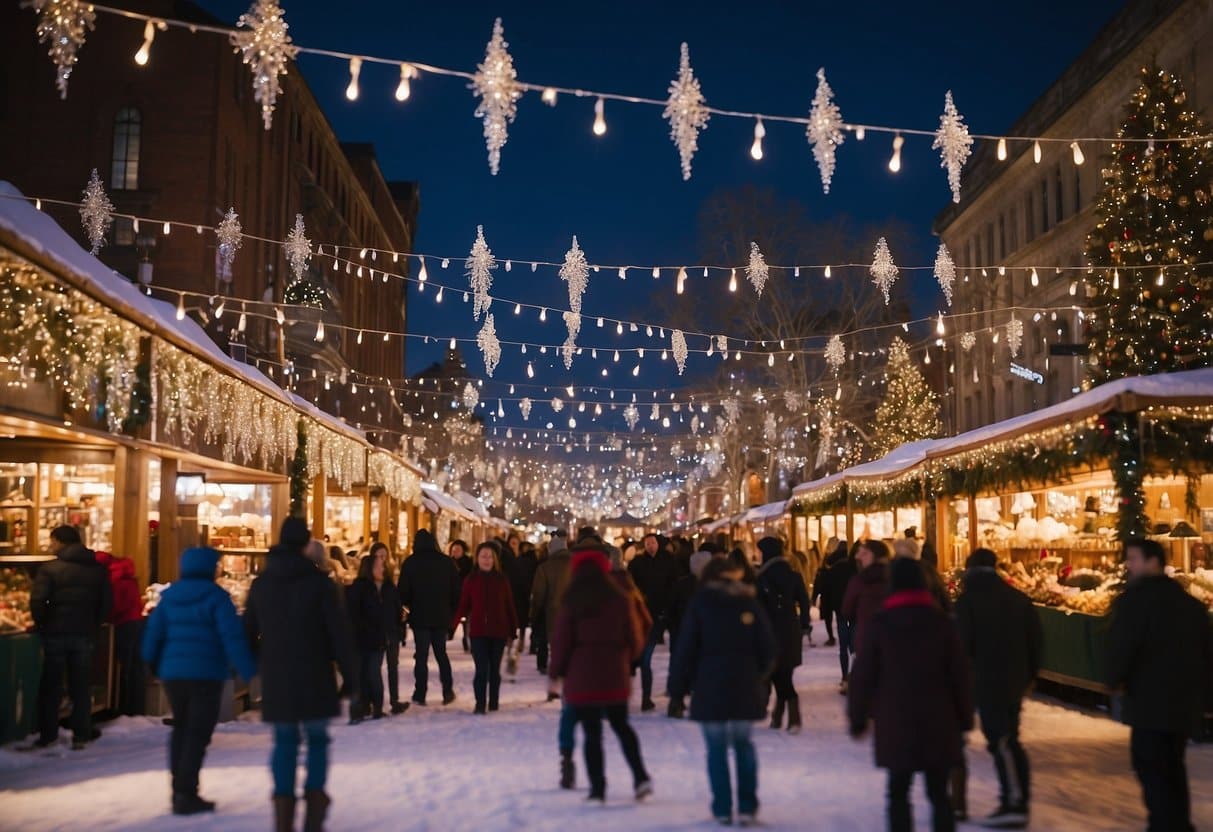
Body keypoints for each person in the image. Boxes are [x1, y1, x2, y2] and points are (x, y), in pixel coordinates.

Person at [245, 517, 357, 832]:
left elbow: (248, 630)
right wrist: (351, 676)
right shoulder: (321, 584)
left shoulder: (262, 583)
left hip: (278, 674)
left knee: (284, 741)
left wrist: (254, 665)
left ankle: (283, 817)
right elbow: (339, 633)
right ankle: (314, 814)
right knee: (317, 740)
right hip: (316, 673)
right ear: (307, 544)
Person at [848, 557, 974, 832]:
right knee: (939, 794)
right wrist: (965, 717)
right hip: (939, 720)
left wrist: (857, 717)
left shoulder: (881, 624)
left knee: (898, 792)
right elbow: (960, 675)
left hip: (896, 720)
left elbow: (863, 676)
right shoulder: (942, 623)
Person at [142, 546, 257, 815]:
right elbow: (232, 638)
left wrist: (151, 662)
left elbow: (153, 634)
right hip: (206, 674)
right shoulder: (217, 598)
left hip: (174, 675)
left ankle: (178, 789)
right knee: (198, 732)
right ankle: (186, 792)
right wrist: (248, 671)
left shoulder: (169, 598)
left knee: (181, 728)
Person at [1107, 538, 1213, 832]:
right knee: (1173, 766)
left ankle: (1165, 826)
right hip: (1183, 702)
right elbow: (1207, 652)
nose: (1129, 565)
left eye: (1134, 559)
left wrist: (1114, 679)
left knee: (1151, 767)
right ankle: (1179, 824)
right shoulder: (1189, 604)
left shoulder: (1135, 602)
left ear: (1153, 562)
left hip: (1149, 702)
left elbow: (1123, 646)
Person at [669, 556, 777, 826]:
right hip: (744, 685)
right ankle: (747, 806)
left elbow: (685, 650)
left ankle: (722, 807)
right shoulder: (748, 602)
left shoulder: (700, 605)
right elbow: (768, 649)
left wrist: (678, 688)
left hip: (709, 686)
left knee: (716, 749)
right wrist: (757, 676)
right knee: (743, 745)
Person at [549, 545, 652, 804]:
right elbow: (636, 637)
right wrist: (626, 658)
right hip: (615, 672)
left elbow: (561, 642)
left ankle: (598, 789)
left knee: (592, 732)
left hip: (582, 676)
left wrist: (556, 673)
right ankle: (640, 777)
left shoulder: (571, 601)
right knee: (622, 726)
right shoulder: (620, 598)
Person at [954, 548, 1042, 829]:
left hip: (987, 680)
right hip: (1014, 678)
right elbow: (1036, 640)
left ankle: (1015, 801)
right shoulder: (1018, 598)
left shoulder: (968, 602)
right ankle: (1014, 798)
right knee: (1007, 737)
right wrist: (1029, 675)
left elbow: (962, 646)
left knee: (1002, 741)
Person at [29, 525, 112, 750]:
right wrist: (94, 624)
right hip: (84, 634)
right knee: (80, 685)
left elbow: (38, 601)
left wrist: (41, 623)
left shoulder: (49, 569)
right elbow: (105, 604)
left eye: (52, 541)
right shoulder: (98, 569)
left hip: (55, 633)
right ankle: (81, 734)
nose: (51, 545)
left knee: (51, 685)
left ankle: (48, 735)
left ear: (59, 542)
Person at [452, 541, 518, 714]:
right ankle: (480, 703)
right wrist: (452, 625)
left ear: (494, 559)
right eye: (483, 556)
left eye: (489, 556)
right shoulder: (471, 580)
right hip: (478, 632)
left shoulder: (502, 580)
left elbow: (509, 605)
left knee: (494, 669)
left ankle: (494, 700)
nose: (486, 560)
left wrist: (513, 629)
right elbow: (463, 604)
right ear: (477, 559)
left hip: (499, 632)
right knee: (481, 669)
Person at [755, 537, 811, 734]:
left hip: (768, 632)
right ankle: (780, 716)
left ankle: (791, 719)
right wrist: (805, 624)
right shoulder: (793, 575)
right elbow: (805, 602)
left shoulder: (760, 577)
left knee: (778, 675)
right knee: (784, 672)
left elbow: (755, 607)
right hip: (790, 630)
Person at [398, 529, 460, 707]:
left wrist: (408, 606)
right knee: (441, 654)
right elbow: (456, 590)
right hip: (441, 616)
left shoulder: (411, 563)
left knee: (422, 656)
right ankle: (447, 690)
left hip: (420, 616)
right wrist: (451, 611)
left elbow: (403, 592)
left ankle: (420, 693)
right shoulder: (446, 563)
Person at [666, 545, 716, 718]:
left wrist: (673, 627)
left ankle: (676, 702)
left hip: (682, 633)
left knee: (680, 668)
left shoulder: (682, 584)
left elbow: (670, 609)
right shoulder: (713, 586)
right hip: (704, 636)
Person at [628, 532, 675, 711]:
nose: (650, 546)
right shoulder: (637, 564)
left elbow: (672, 586)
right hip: (640, 616)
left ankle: (645, 698)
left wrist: (666, 610)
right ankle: (641, 698)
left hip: (657, 617)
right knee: (643, 660)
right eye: (647, 543)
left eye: (653, 543)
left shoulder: (667, 562)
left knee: (645, 660)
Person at [97, 547, 145, 716]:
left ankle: (124, 708)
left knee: (122, 668)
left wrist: (102, 615)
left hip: (123, 625)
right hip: (136, 622)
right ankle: (135, 707)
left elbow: (115, 606)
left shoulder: (114, 579)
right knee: (135, 668)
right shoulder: (126, 574)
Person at [345, 553, 390, 724]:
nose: (383, 569)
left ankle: (362, 708)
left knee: (364, 675)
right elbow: (370, 615)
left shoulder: (368, 587)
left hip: (363, 639)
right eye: (379, 566)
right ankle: (371, 708)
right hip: (369, 639)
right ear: (370, 569)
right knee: (371, 674)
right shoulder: (368, 589)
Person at [366, 543, 408, 715]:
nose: (382, 560)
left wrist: (401, 625)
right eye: (379, 556)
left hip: (391, 631)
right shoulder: (366, 587)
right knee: (374, 668)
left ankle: (394, 700)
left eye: (384, 556)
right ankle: (375, 703)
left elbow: (397, 607)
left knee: (393, 666)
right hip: (376, 633)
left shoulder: (390, 584)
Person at [841, 539, 891, 663]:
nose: (858, 557)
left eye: (863, 554)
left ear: (873, 555)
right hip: (893, 637)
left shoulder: (859, 581)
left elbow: (847, 610)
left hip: (866, 636)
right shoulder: (896, 577)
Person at [531, 529, 571, 674]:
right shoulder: (576, 565)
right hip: (572, 613)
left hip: (551, 613)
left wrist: (534, 613)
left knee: (551, 643)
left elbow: (538, 595)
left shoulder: (544, 568)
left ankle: (551, 672)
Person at [823, 538, 856, 692]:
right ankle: (854, 675)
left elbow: (827, 593)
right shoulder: (855, 568)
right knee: (854, 646)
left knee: (843, 646)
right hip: (855, 611)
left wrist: (827, 610)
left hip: (840, 610)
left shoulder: (833, 569)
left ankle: (844, 676)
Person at [506, 537, 538, 660]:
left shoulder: (516, 561)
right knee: (523, 621)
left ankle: (512, 643)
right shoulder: (534, 562)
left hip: (516, 593)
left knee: (514, 619)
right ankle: (521, 642)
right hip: (526, 595)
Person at [448, 540, 473, 652]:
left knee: (467, 620)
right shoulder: (448, 562)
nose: (455, 552)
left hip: (466, 595)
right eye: (454, 550)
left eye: (458, 550)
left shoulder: (468, 562)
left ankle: (467, 639)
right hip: (452, 595)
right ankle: (450, 633)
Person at [811, 544, 836, 647]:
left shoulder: (822, 571)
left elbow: (818, 584)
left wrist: (814, 596)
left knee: (828, 618)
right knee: (836, 618)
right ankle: (833, 636)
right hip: (832, 595)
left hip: (826, 595)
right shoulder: (834, 569)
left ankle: (831, 637)